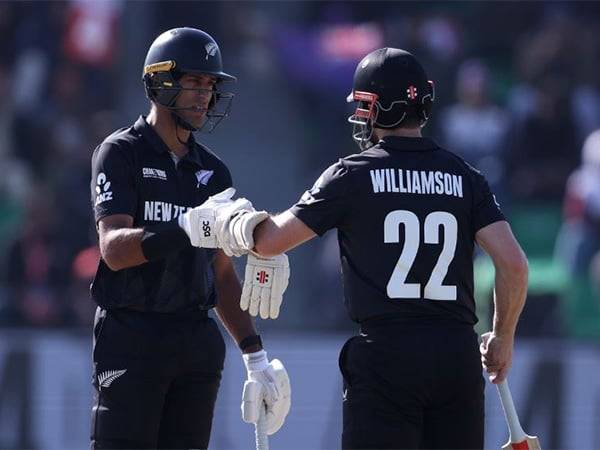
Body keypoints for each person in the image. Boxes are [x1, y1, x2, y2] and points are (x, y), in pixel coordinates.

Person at [213, 48, 529, 449]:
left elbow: (271, 240)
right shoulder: (466, 177)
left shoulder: (352, 174)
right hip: (456, 355)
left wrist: (230, 221)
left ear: (380, 108)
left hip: (387, 356)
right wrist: (502, 338)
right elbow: (514, 265)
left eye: (364, 106)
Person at [89, 27, 290, 450]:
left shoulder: (214, 172)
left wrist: (254, 354)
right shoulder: (120, 152)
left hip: (195, 340)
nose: (205, 95)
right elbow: (113, 251)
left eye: (210, 85)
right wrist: (184, 228)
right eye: (194, 82)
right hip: (133, 334)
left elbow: (219, 271)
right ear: (161, 81)